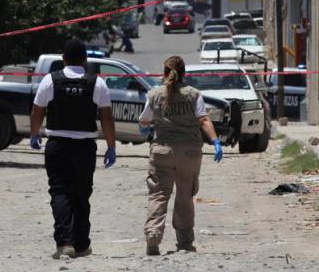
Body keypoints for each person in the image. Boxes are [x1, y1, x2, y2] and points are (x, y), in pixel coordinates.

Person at [29, 40, 117, 259]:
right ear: (85, 60)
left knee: (60, 192)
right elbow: (106, 117)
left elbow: (37, 110)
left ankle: (64, 243)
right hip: (85, 148)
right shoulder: (97, 83)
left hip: (57, 146)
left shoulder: (51, 80)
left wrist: (34, 133)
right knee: (82, 194)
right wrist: (111, 146)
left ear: (64, 58)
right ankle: (81, 244)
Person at [138, 56, 223, 255]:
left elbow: (144, 120)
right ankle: (184, 241)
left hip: (162, 151)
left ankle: (153, 234)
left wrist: (144, 130)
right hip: (189, 152)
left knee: (158, 195)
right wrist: (216, 141)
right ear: (184, 73)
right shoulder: (194, 95)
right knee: (185, 195)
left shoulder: (154, 94)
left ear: (164, 72)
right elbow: (203, 119)